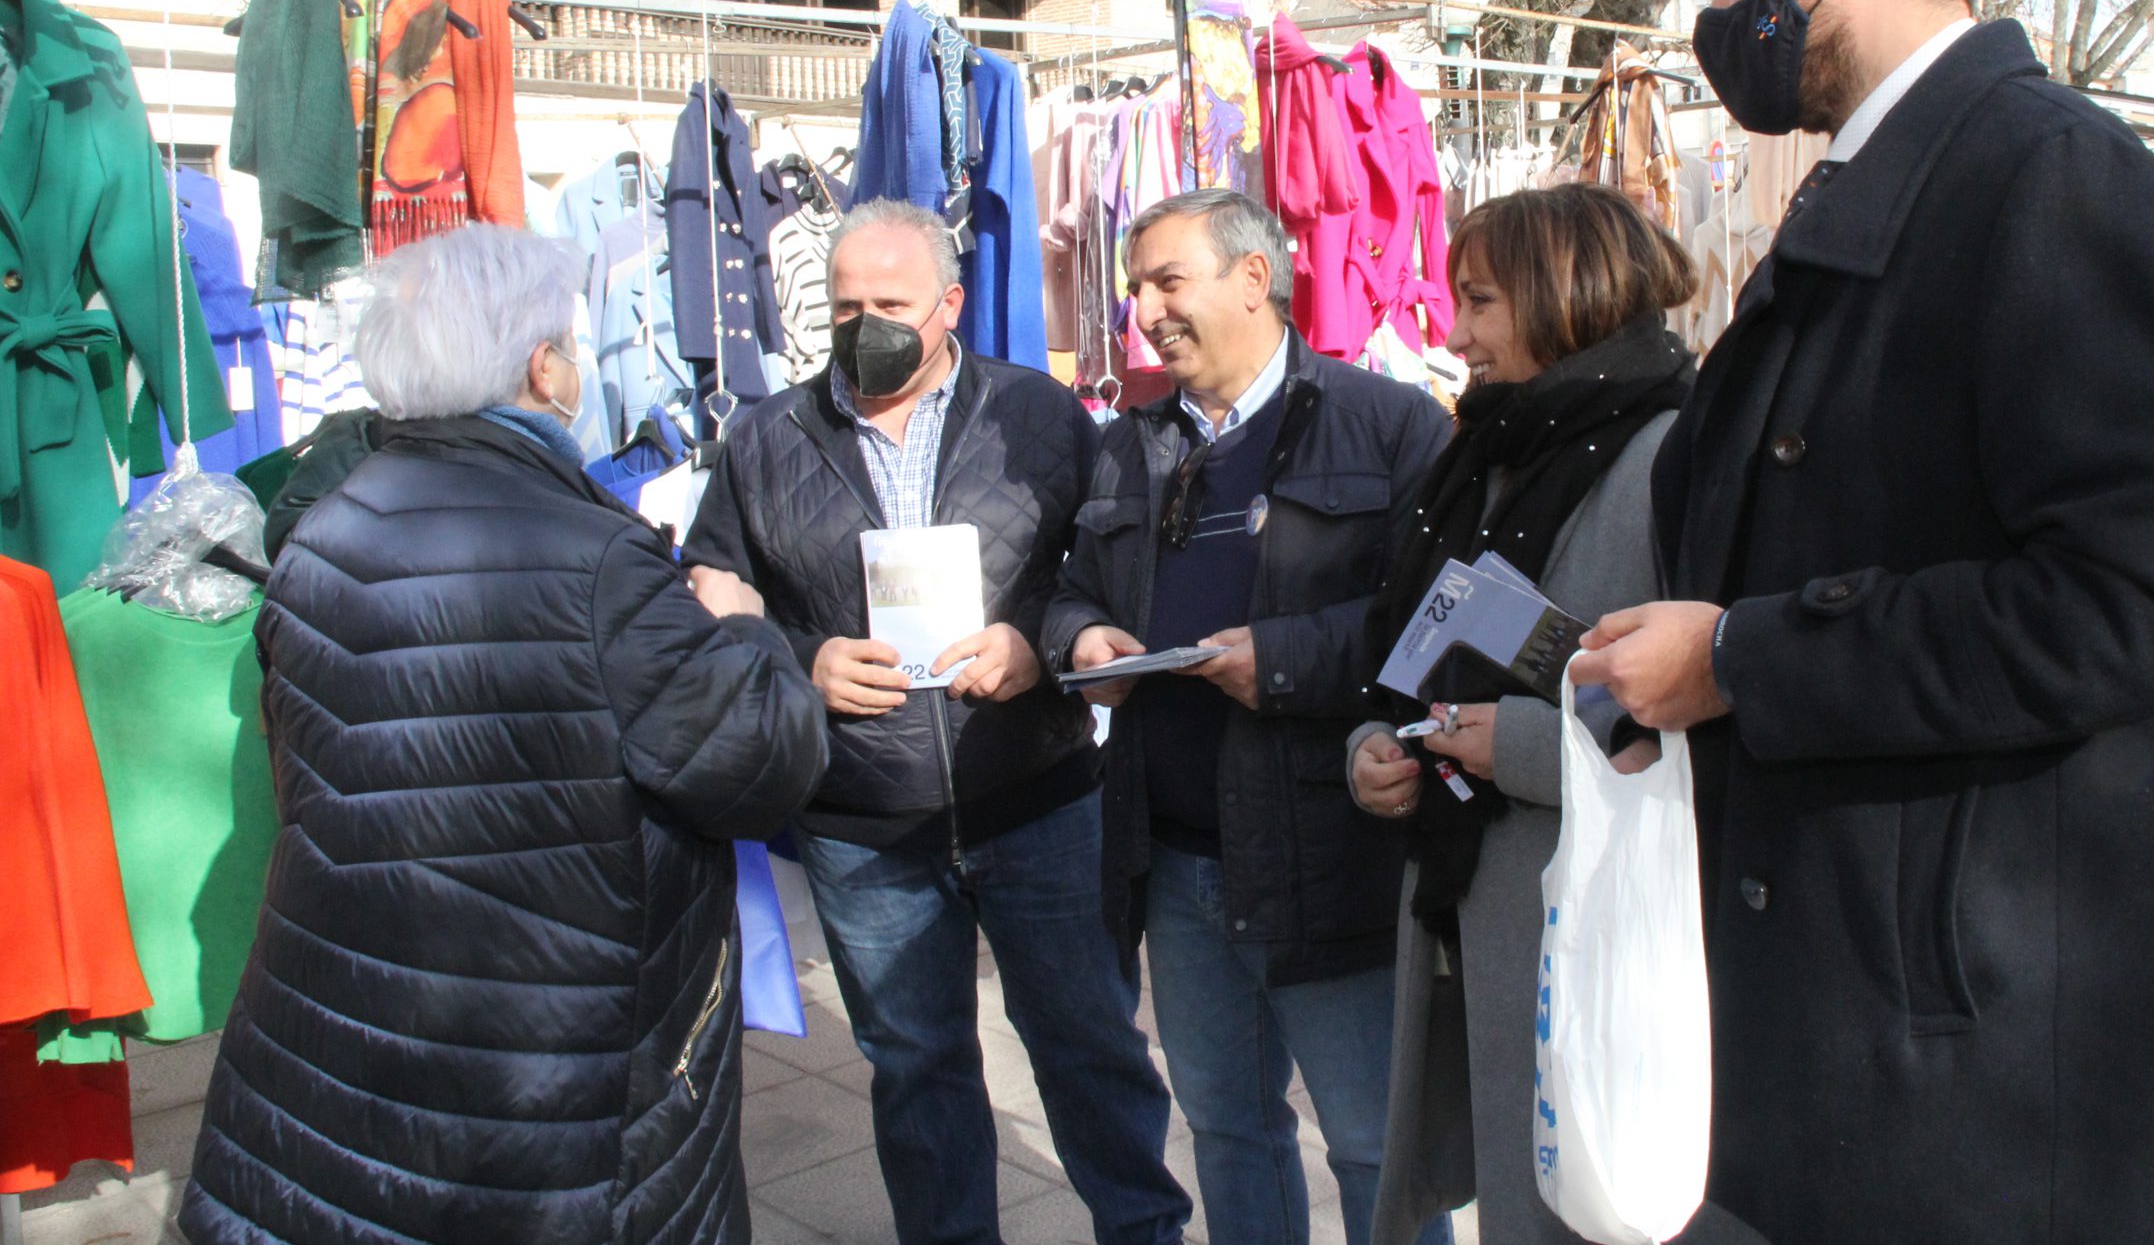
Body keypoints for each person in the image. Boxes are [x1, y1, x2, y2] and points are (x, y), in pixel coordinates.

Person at [1576, 0, 2154, 1245]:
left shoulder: (2048, 175)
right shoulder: (1889, 185)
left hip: (1993, 1086)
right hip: (1883, 1045)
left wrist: (1747, 658)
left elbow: (2143, 599)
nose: (1719, 9)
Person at [180, 225, 829, 1245]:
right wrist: (742, 626)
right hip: (547, 1080)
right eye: (569, 347)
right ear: (541, 368)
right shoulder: (598, 561)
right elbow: (763, 765)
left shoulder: (322, 535)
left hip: (340, 1046)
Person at [681, 199, 1189, 1245]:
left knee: (1089, 1048)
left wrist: (1034, 641)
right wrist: (799, 659)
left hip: (1036, 798)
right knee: (917, 1071)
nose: (865, 325)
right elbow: (709, 587)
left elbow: (1104, 570)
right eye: (845, 306)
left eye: (892, 304)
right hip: (863, 823)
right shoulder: (765, 436)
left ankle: (1142, 1230)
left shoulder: (1037, 414)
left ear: (950, 304)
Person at [1041, 189, 1453, 1245]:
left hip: (1331, 853)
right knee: (1226, 1128)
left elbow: (1437, 622)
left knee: (1369, 1142)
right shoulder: (1126, 443)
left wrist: (1284, 659)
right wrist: (1082, 641)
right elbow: (1073, 590)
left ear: (1255, 279)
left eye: (1168, 282)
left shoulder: (1388, 424)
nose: (1145, 311)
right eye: (1138, 288)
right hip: (1173, 862)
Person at [1341, 184, 1696, 1245]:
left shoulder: (1671, 458)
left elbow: (1709, 707)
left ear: (1564, 294)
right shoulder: (1484, 453)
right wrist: (1372, 743)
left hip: (1591, 926)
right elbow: (1398, 647)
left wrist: (1526, 749)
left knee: (1590, 1203)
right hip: (1469, 901)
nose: (1455, 335)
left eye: (1481, 301)